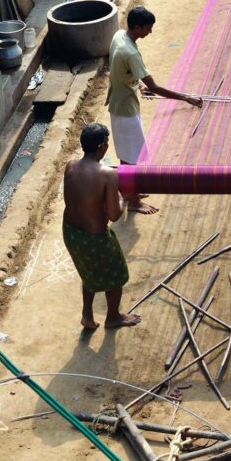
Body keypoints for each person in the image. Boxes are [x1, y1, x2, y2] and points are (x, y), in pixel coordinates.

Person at [107, 6, 202, 214]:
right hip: (124, 109)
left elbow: (119, 67)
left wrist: (137, 85)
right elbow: (156, 87)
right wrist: (186, 98)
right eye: (148, 28)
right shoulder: (131, 52)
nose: (150, 32)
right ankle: (131, 200)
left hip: (122, 100)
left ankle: (131, 190)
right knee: (130, 157)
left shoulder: (119, 36)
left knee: (130, 152)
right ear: (138, 27)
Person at [62, 123, 140, 330]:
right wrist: (126, 198)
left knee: (88, 272)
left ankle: (87, 315)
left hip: (70, 233)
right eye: (107, 142)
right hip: (94, 238)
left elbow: (74, 197)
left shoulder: (70, 165)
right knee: (116, 275)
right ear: (102, 146)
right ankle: (113, 317)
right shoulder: (107, 174)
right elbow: (114, 215)